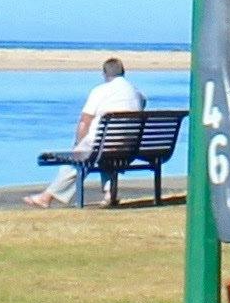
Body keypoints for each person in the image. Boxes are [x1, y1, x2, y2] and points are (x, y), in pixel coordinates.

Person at [34, 57, 149, 203]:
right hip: (129, 146)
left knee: (82, 153)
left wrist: (78, 142)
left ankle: (47, 197)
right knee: (104, 150)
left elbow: (85, 121)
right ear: (123, 72)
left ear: (104, 74)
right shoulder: (136, 92)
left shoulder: (100, 90)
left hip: (104, 143)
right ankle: (109, 193)